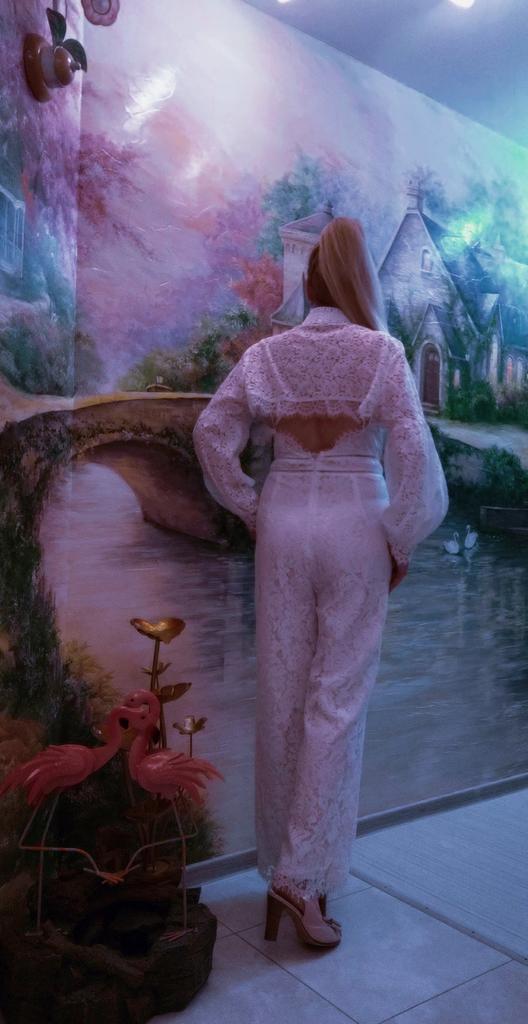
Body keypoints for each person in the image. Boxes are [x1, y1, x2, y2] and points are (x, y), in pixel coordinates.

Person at [192, 217, 449, 950]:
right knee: (336, 701)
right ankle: (302, 878)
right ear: (360, 278)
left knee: (282, 691)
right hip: (354, 522)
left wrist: (250, 506)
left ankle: (284, 865)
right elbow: (413, 457)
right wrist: (400, 536)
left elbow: (211, 432)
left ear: (309, 280)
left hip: (283, 520)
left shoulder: (268, 354)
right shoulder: (382, 352)